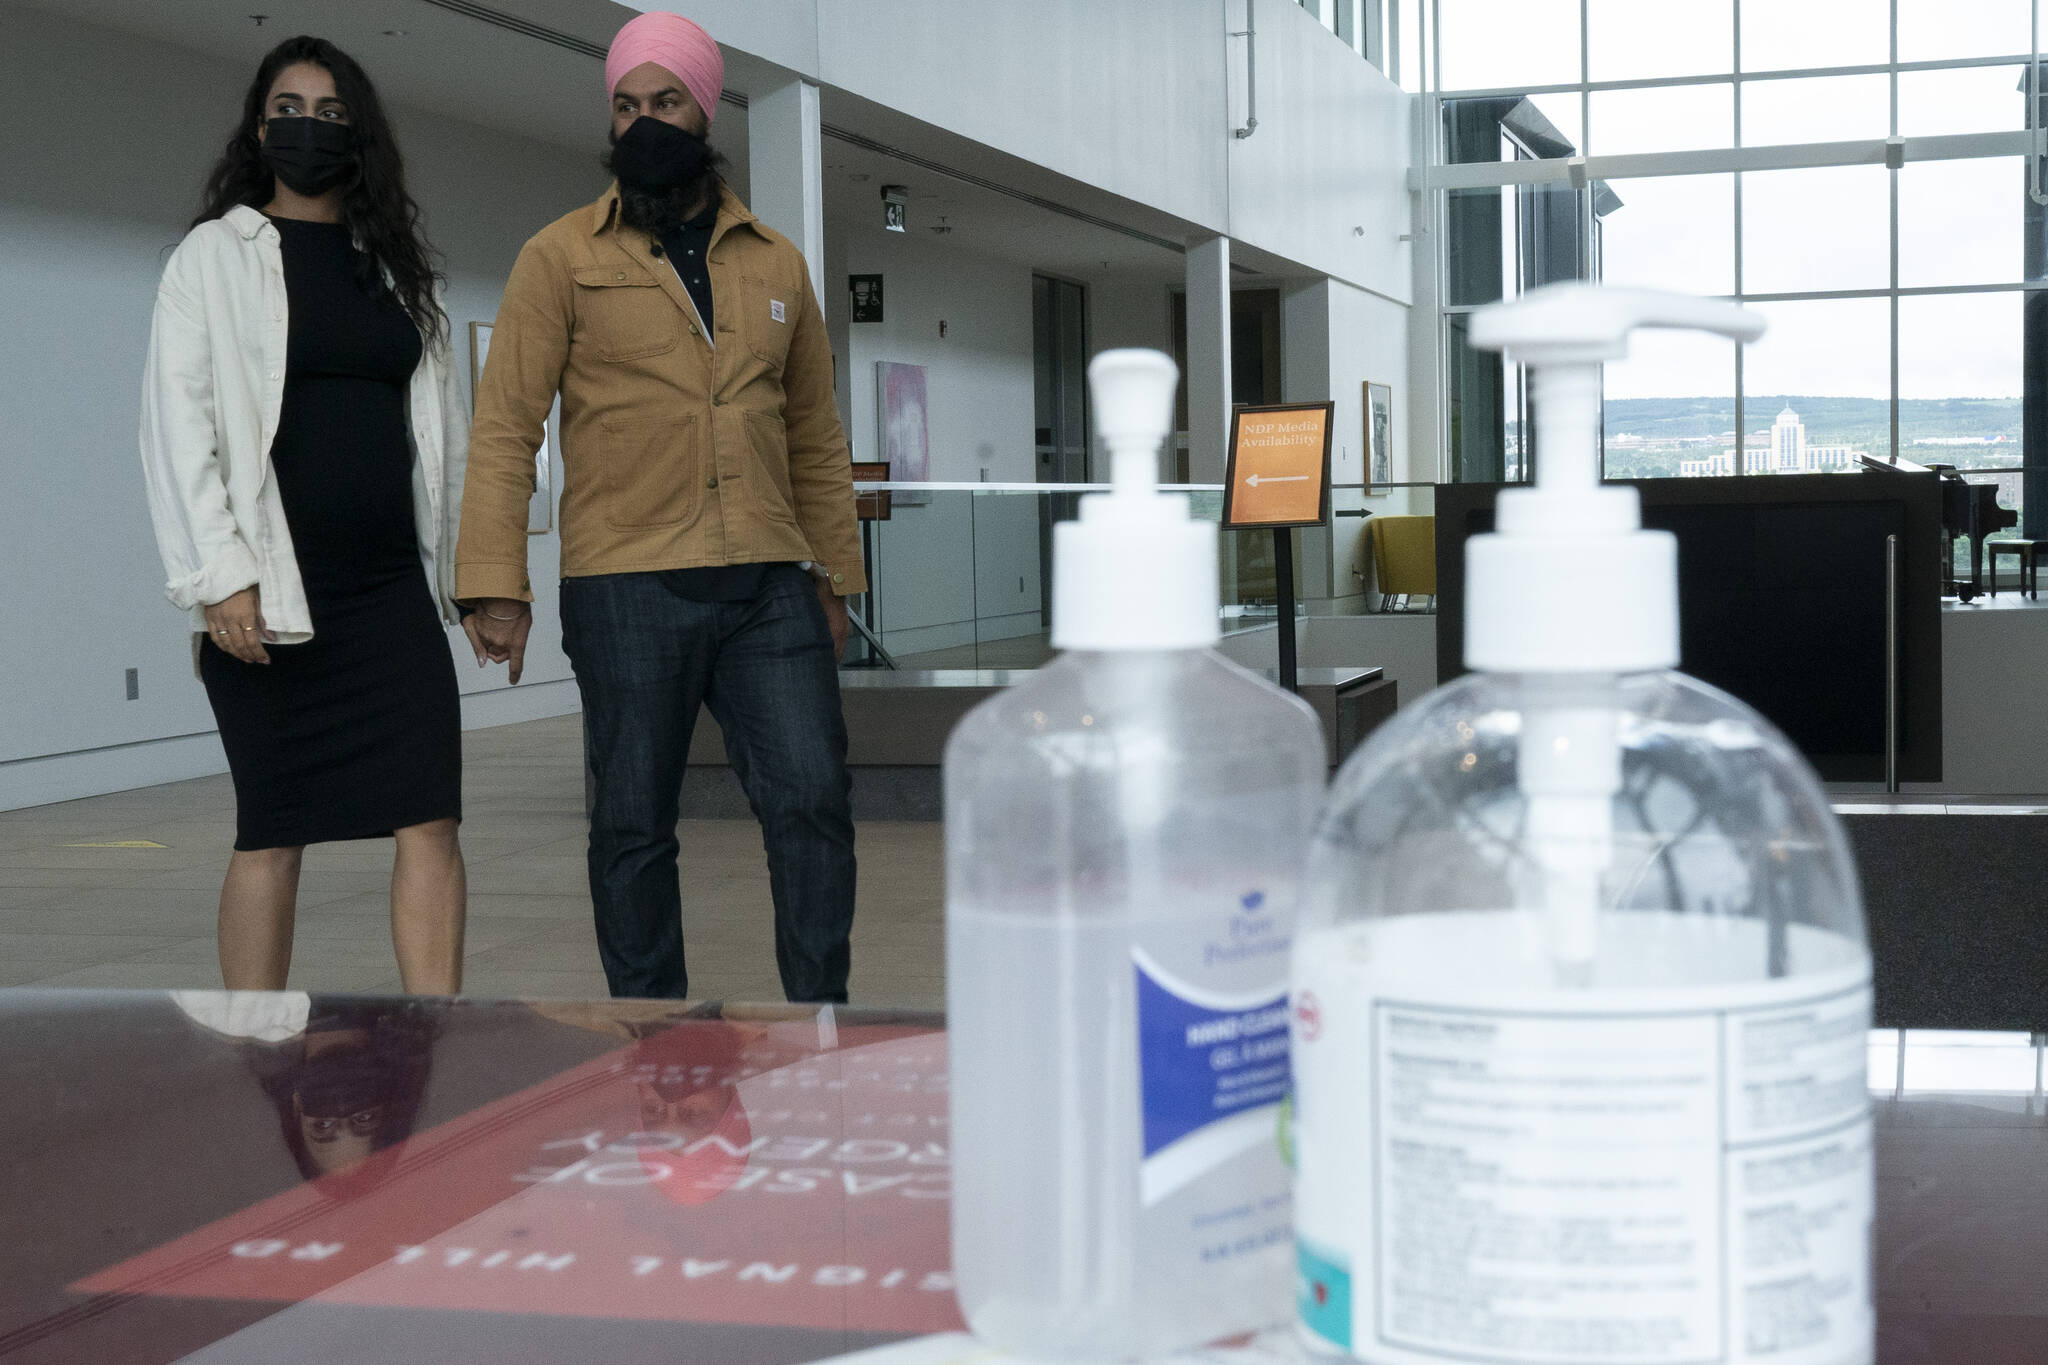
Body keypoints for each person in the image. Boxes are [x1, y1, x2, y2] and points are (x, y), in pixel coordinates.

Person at [458, 11, 866, 1005]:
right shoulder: (559, 258)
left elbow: (813, 435)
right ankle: (655, 1040)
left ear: (705, 107)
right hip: (624, 583)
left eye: (665, 102)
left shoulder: (775, 263)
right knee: (632, 824)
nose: (645, 123)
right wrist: (490, 584)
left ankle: (823, 1023)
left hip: (769, 582)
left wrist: (836, 578)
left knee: (812, 803)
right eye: (626, 106)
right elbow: (505, 428)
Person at [139, 36, 478, 994]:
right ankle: (252, 1045)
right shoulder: (213, 259)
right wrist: (222, 578)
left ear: (359, 137)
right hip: (272, 601)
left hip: (387, 598)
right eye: (289, 108)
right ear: (258, 128)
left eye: (332, 115)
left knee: (431, 819)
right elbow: (178, 428)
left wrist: (474, 581)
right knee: (273, 827)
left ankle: (437, 1033)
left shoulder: (402, 274)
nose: (309, 129)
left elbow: (444, 443)